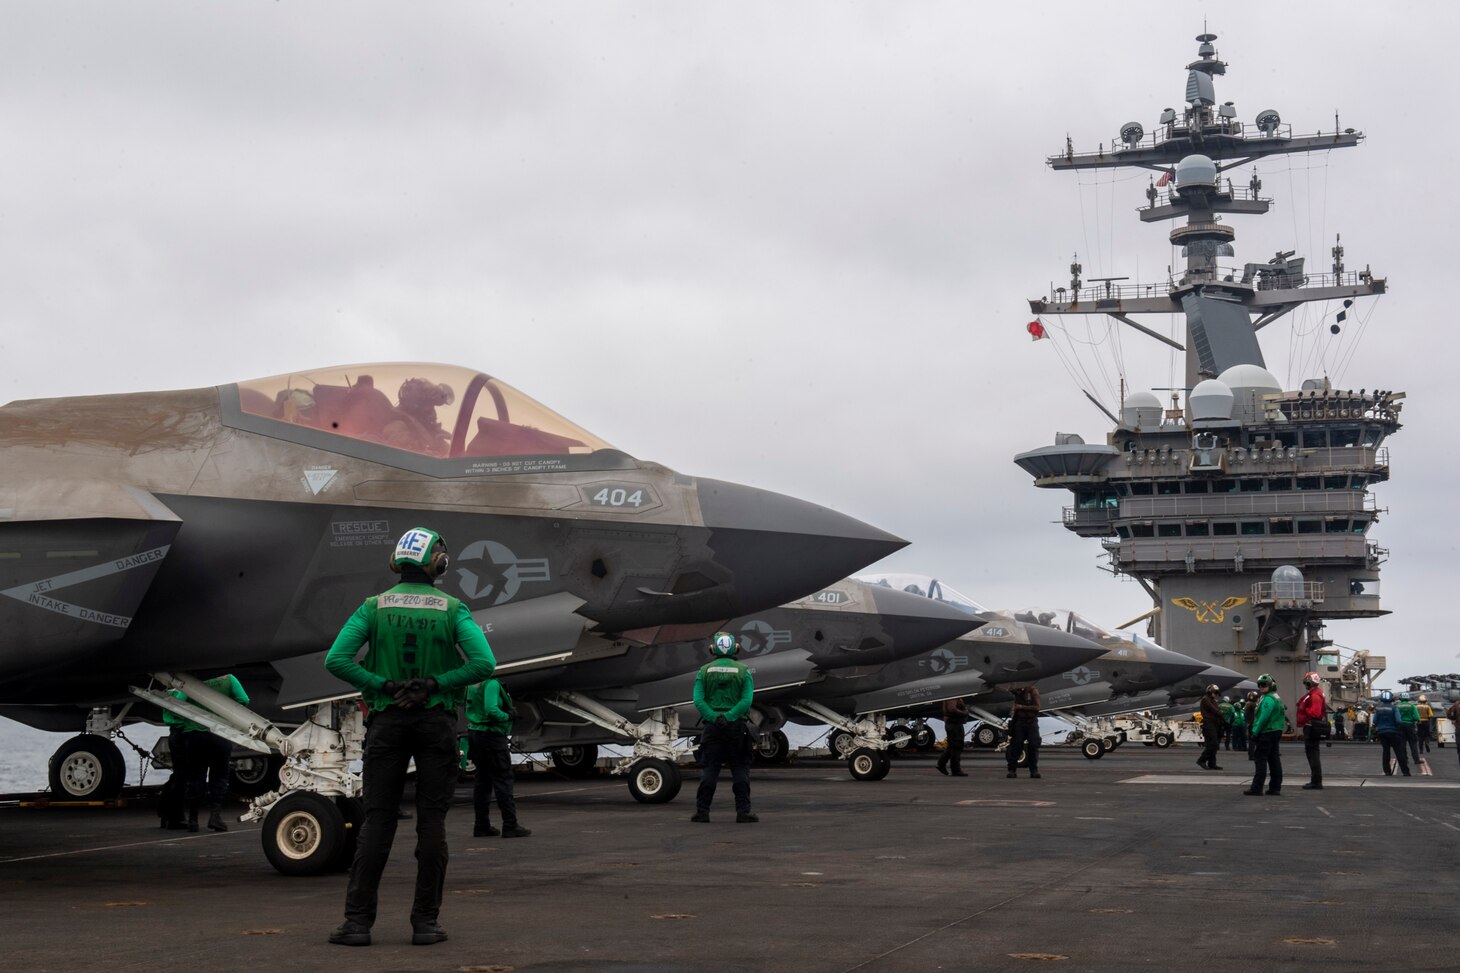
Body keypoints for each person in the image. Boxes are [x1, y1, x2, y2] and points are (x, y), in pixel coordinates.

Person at [324, 527, 496, 948]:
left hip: (386, 723)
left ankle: (357, 925)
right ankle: (425, 925)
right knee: (431, 824)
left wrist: (382, 686)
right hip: (435, 723)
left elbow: (337, 660)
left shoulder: (373, 607)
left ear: (396, 562)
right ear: (438, 562)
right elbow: (483, 664)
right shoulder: (453, 609)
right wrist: (434, 684)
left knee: (378, 822)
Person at [690, 631, 757, 823]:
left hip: (712, 728)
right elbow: (747, 700)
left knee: (710, 770)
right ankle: (743, 812)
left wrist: (714, 717)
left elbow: (698, 700)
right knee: (740, 770)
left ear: (713, 649)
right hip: (737, 728)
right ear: (736, 648)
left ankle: (702, 812)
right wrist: (729, 716)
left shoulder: (704, 671)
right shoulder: (744, 671)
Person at [171, 673, 249, 833]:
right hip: (220, 734)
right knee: (220, 775)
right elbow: (244, 700)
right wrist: (226, 713)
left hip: (195, 735)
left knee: (196, 776)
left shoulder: (191, 680)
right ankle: (215, 817)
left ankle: (193, 820)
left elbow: (178, 701)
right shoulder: (229, 679)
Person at [465, 676, 530, 838]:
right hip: (492, 736)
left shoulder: (471, 684)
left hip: (475, 734)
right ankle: (510, 824)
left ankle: (481, 825)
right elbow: (491, 710)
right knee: (503, 780)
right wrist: (508, 716)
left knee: (483, 781)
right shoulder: (492, 684)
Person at [1243, 674, 1285, 796]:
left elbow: (1263, 718)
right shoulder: (1276, 697)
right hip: (1276, 731)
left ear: (1271, 685)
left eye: (1264, 684)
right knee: (1274, 759)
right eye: (1259, 685)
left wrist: (1255, 732)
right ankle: (1275, 787)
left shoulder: (1267, 699)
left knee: (1260, 758)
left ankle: (1257, 788)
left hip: (1267, 732)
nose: (1261, 687)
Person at [1296, 672, 1328, 790]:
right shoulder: (1316, 693)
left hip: (1311, 727)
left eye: (1306, 682)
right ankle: (1315, 780)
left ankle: (1316, 781)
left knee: (1313, 754)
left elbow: (1315, 713)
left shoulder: (1315, 695)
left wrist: (1305, 708)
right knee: (1312, 754)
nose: (1305, 685)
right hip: (1310, 727)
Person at [1006, 684, 1042, 779]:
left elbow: (1037, 707)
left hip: (1031, 722)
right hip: (1019, 721)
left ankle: (1034, 770)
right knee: (1016, 746)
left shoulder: (1032, 691)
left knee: (1033, 746)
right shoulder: (1017, 693)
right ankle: (1012, 770)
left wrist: (1021, 707)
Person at [1371, 690, 1410, 777]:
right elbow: (1398, 720)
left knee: (1386, 752)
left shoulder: (1378, 708)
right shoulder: (1394, 708)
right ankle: (1405, 772)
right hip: (1393, 732)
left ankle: (1387, 771)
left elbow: (1374, 721)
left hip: (1382, 732)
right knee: (1399, 752)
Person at [936, 696, 970, 777]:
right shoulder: (953, 696)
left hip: (953, 724)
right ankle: (955, 770)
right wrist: (964, 713)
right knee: (957, 747)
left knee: (952, 747)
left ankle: (941, 764)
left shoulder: (953, 696)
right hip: (954, 724)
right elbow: (952, 709)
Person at [1197, 684, 1224, 770]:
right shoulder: (1205, 699)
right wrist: (1221, 714)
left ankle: (1212, 763)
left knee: (1213, 745)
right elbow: (1215, 710)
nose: (1215, 694)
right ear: (1209, 691)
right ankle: (1201, 760)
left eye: (1216, 693)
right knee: (1213, 744)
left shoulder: (1212, 700)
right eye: (1214, 692)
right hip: (1208, 724)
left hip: (1214, 724)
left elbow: (1218, 710)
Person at [1396, 692, 1422, 767]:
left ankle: (1405, 760)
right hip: (1410, 726)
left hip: (1400, 727)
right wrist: (1412, 719)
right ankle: (1416, 760)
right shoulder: (1412, 706)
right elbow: (1417, 717)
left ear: (1400, 698)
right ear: (1408, 698)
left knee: (1402, 744)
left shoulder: (1397, 706)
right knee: (1413, 744)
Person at [1242, 690, 1260, 761]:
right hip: (1252, 724)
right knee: (1253, 741)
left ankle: (1252, 755)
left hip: (1250, 724)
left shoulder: (1248, 704)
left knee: (1252, 741)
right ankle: (1252, 755)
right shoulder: (1252, 704)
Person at [1447, 697, 1460, 765]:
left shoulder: (1456, 704)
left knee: (1459, 745)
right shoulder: (1456, 705)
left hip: (1458, 729)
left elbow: (1450, 715)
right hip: (1458, 729)